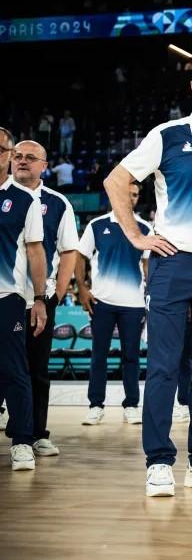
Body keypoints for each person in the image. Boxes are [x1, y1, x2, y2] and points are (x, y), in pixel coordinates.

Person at [105, 53, 192, 497]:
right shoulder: (167, 135)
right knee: (163, 366)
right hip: (173, 262)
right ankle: (159, 461)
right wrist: (136, 235)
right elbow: (116, 180)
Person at [12, 140, 79, 458]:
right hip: (5, 296)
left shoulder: (58, 203)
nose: (22, 161)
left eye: (30, 158)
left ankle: (37, 433)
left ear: (44, 165)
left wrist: (58, 292)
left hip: (39, 299)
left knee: (36, 368)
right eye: (17, 156)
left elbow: (69, 251)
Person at [78, 180, 149, 426]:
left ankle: (131, 405)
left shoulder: (145, 228)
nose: (131, 198)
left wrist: (149, 299)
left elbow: (148, 267)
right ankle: (95, 405)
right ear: (115, 196)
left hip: (134, 304)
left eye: (135, 195)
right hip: (102, 302)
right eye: (127, 194)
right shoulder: (96, 226)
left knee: (131, 356)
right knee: (99, 355)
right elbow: (80, 256)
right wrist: (83, 289)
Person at [0, 130, 48, 470]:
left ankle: (21, 441)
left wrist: (40, 299)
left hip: (8, 297)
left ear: (6, 156)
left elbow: (35, 251)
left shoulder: (24, 200)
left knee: (15, 370)